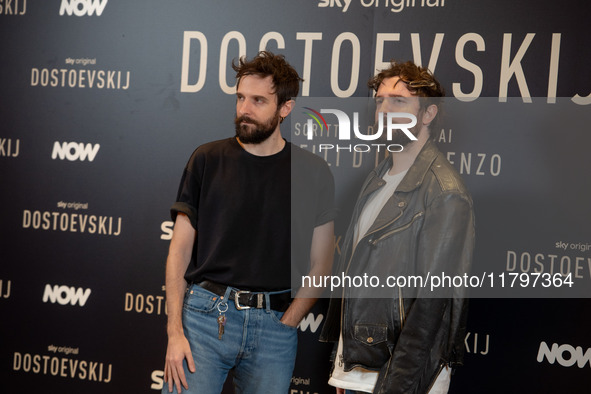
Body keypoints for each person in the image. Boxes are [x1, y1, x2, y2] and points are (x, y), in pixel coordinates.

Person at [162, 51, 335, 394]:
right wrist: (175, 332)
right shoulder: (206, 159)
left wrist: (289, 322)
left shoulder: (313, 173)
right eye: (241, 97)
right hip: (203, 320)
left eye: (259, 100)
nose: (244, 109)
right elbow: (179, 252)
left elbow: (323, 263)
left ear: (285, 107)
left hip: (274, 327)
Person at [320, 61, 475, 394]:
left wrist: (397, 386)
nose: (385, 110)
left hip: (397, 378)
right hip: (361, 368)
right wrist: (343, 363)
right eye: (380, 101)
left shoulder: (444, 192)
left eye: (399, 101)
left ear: (429, 114)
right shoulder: (378, 178)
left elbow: (431, 307)